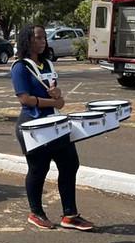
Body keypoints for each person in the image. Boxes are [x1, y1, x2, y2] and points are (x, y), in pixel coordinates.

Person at [11, 25, 94, 231]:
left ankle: (70, 215)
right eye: (37, 38)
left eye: (43, 38)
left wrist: (58, 95)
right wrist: (53, 103)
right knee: (39, 169)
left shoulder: (48, 63)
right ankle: (36, 212)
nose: (42, 41)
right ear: (27, 40)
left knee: (70, 164)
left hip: (55, 124)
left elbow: (56, 97)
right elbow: (25, 99)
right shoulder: (20, 67)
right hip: (33, 126)